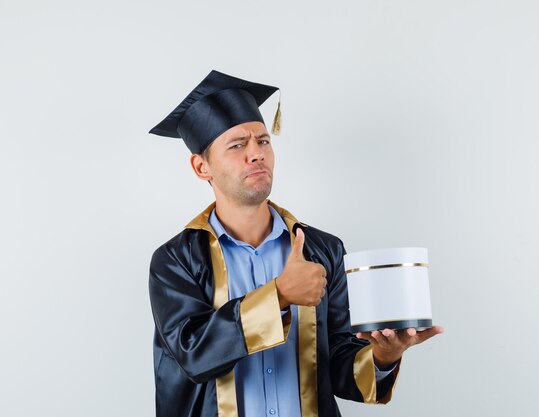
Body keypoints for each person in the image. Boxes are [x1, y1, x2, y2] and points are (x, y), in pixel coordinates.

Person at [148, 69, 444, 417]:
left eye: (263, 141)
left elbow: (336, 363)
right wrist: (280, 296)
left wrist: (384, 355)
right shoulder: (176, 260)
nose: (256, 154)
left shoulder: (323, 250)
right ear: (201, 167)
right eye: (237, 145)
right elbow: (193, 356)